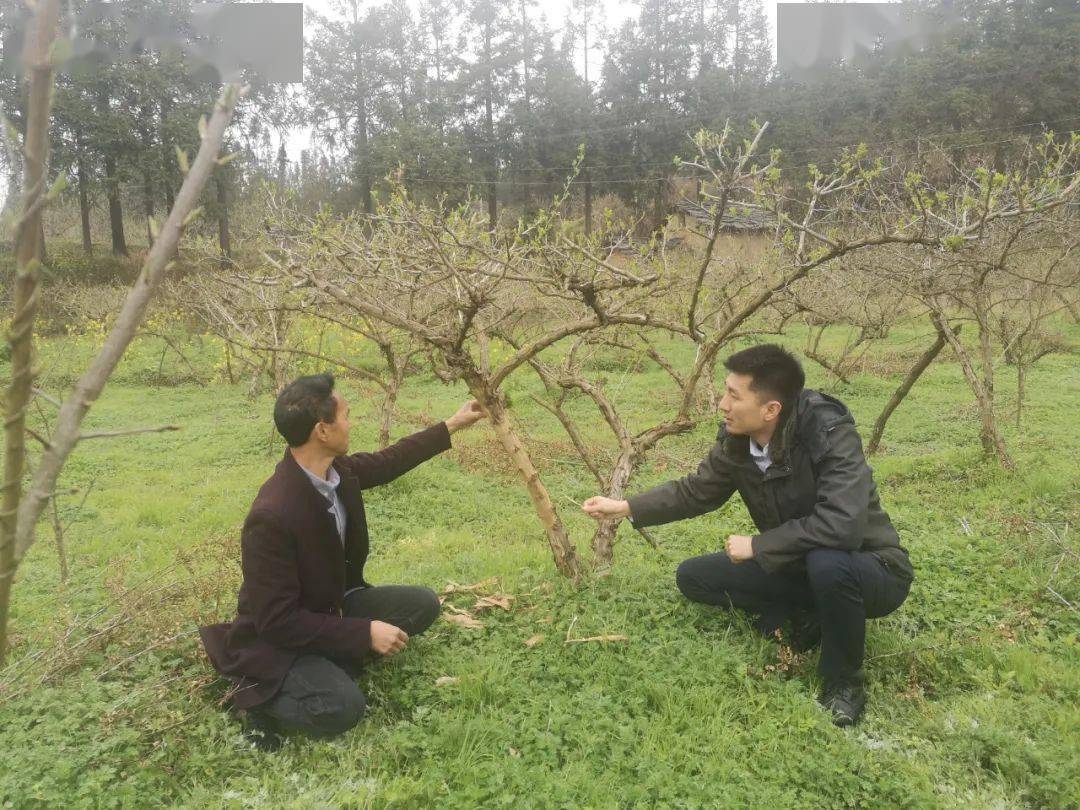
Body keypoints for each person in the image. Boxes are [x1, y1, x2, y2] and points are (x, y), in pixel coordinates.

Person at [582, 344, 913, 726]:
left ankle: (843, 683)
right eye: (725, 391)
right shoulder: (738, 441)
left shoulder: (828, 433)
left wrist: (759, 545)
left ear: (771, 409)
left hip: (872, 568)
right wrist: (624, 507)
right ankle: (813, 614)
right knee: (695, 577)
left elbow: (843, 524)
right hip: (799, 563)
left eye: (733, 396)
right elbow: (697, 491)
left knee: (828, 562)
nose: (722, 405)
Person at [199, 373, 485, 747]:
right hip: (279, 639)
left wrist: (453, 424)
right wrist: (363, 633)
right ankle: (252, 697)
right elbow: (277, 621)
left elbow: (389, 460)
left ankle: (333, 658)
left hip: (332, 604)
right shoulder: (271, 514)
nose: (352, 422)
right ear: (322, 430)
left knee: (423, 604)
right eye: (346, 415)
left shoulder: (338, 472)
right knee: (341, 707)